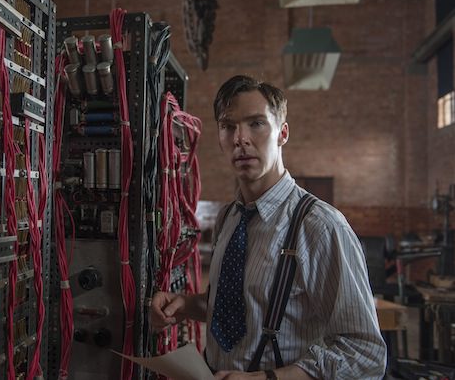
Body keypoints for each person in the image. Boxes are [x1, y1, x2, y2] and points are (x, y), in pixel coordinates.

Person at [150, 75, 387, 380]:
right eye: (228, 126)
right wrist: (184, 304)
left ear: (282, 133)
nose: (241, 139)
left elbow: (365, 353)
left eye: (256, 124)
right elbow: (236, 307)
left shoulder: (320, 226)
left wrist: (269, 379)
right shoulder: (230, 217)